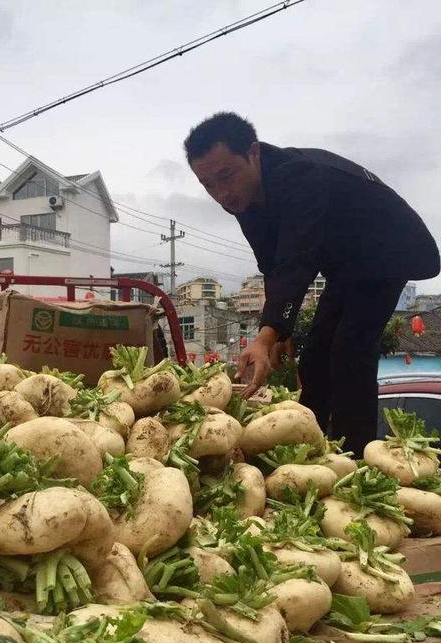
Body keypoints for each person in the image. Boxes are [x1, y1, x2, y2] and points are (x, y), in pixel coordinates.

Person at [183, 112, 440, 456]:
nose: (223, 194)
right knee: (314, 356)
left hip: (389, 249)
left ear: (254, 153)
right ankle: (308, 448)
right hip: (349, 264)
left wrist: (268, 333)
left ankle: (357, 458)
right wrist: (278, 333)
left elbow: (297, 260)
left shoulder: (300, 177)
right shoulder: (245, 202)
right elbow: (273, 268)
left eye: (227, 175)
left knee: (350, 351)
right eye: (209, 185)